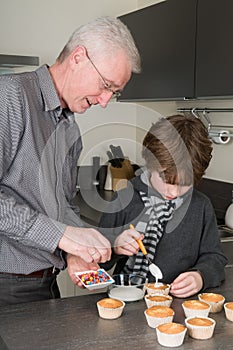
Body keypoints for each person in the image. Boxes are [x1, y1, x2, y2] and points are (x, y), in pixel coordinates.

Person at [0, 16, 141, 304]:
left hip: (45, 282)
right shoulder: (9, 97)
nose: (104, 101)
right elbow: (57, 228)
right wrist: (62, 236)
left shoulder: (70, 129)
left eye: (114, 93)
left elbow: (60, 206)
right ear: (78, 57)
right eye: (105, 85)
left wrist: (72, 252)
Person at [100, 114, 227, 298]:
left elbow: (215, 258)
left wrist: (201, 276)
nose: (173, 192)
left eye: (185, 183)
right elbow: (97, 261)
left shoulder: (201, 206)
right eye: (166, 179)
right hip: (126, 300)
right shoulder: (124, 197)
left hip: (178, 306)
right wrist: (115, 246)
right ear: (150, 164)